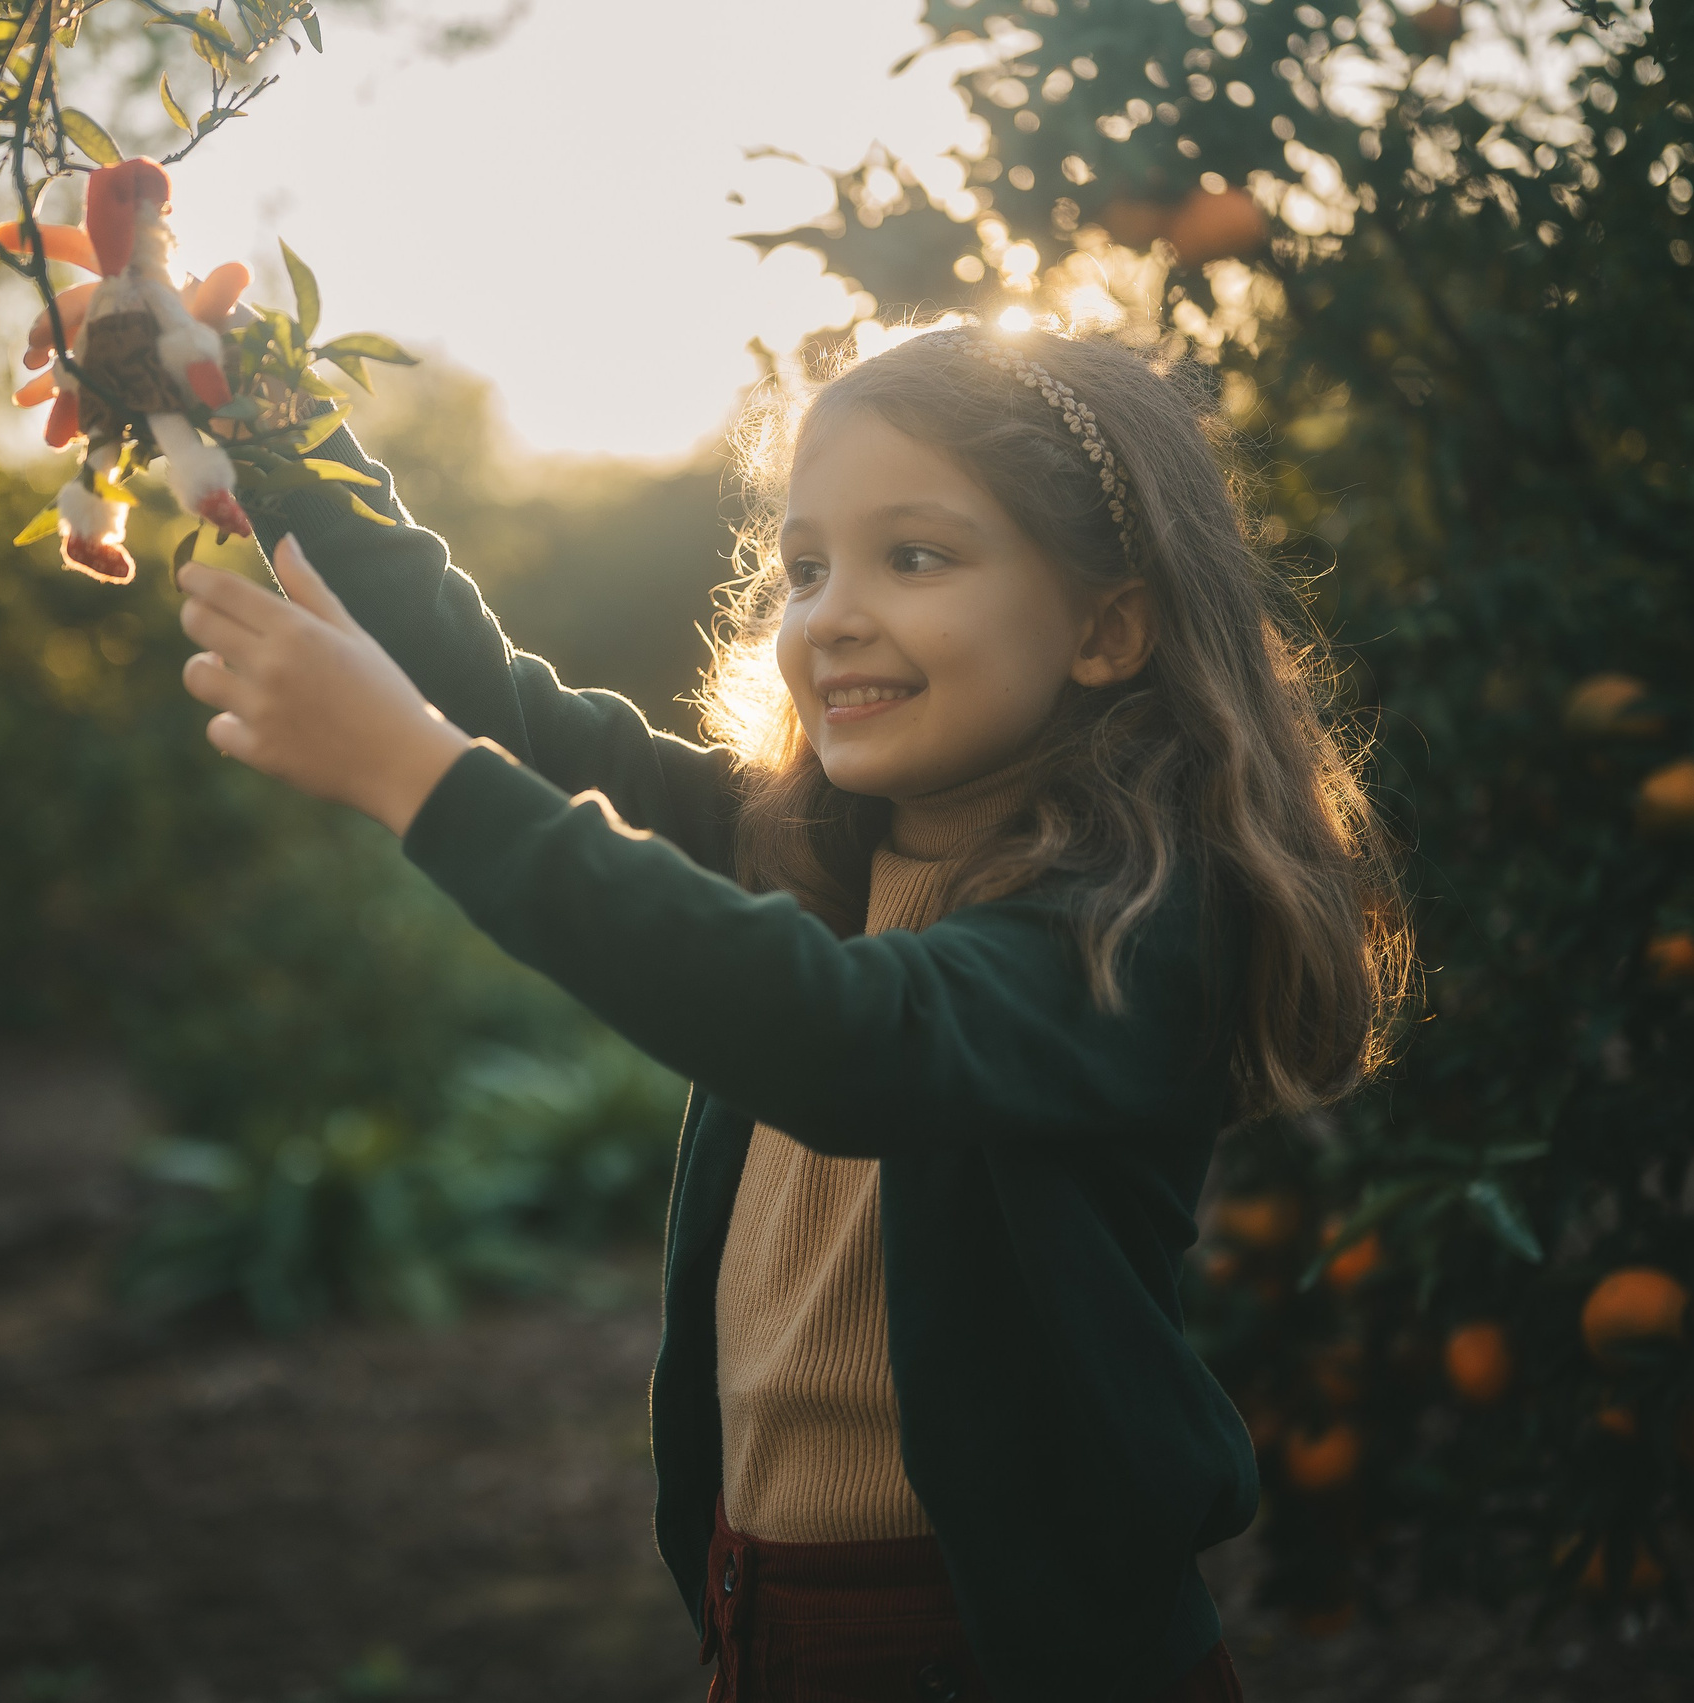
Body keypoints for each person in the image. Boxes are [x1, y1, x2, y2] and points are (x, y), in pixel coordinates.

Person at [158, 322, 1410, 1702]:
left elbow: (852, 1038)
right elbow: (507, 709)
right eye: (804, 567)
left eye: (914, 556)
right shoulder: (815, 845)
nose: (834, 613)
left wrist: (421, 779)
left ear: (1108, 626)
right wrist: (246, 404)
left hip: (1006, 1655)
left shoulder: (1136, 922)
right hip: (770, 1623)